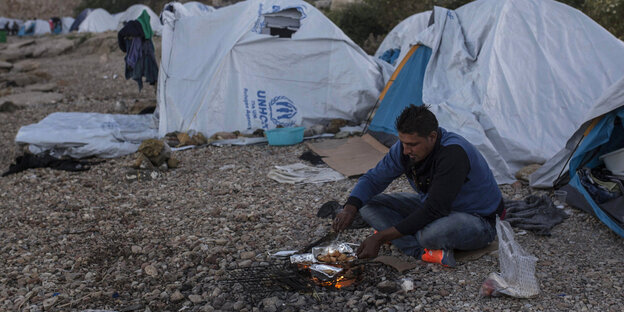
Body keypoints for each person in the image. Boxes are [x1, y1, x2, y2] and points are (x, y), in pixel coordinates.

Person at [333, 104, 504, 267]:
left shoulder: (453, 154)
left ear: (432, 137)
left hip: (477, 219)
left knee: (429, 236)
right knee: (367, 205)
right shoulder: (403, 149)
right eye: (403, 142)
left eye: (413, 144)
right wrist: (350, 207)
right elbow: (373, 179)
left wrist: (380, 237)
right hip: (431, 204)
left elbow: (434, 209)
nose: (406, 150)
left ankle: (415, 243)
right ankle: (420, 251)